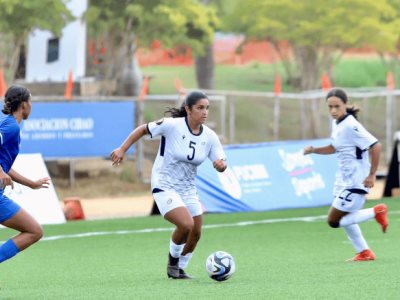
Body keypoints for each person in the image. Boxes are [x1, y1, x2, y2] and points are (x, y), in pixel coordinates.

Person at [110, 91, 227, 279]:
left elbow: (220, 161)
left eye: (207, 108)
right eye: (199, 108)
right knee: (186, 224)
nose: (204, 112)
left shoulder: (210, 136)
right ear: (188, 109)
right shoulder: (172, 125)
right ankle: (172, 263)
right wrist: (123, 149)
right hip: (164, 183)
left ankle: (180, 268)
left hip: (187, 188)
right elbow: (142, 129)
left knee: (196, 232)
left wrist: (221, 165)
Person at [303, 88, 388, 262]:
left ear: (345, 105)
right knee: (347, 217)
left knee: (333, 221)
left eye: (337, 106)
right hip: (343, 180)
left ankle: (376, 211)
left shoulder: (351, 125)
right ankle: (364, 252)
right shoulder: (338, 124)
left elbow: (376, 146)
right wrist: (314, 150)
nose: (333, 111)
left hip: (356, 181)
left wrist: (372, 175)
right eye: (330, 107)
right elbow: (335, 147)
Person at [0, 85, 50, 264]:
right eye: (31, 101)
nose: (32, 105)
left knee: (34, 230)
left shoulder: (10, 126)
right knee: (34, 231)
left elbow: (4, 164)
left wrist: (31, 184)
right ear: (23, 105)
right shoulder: (11, 127)